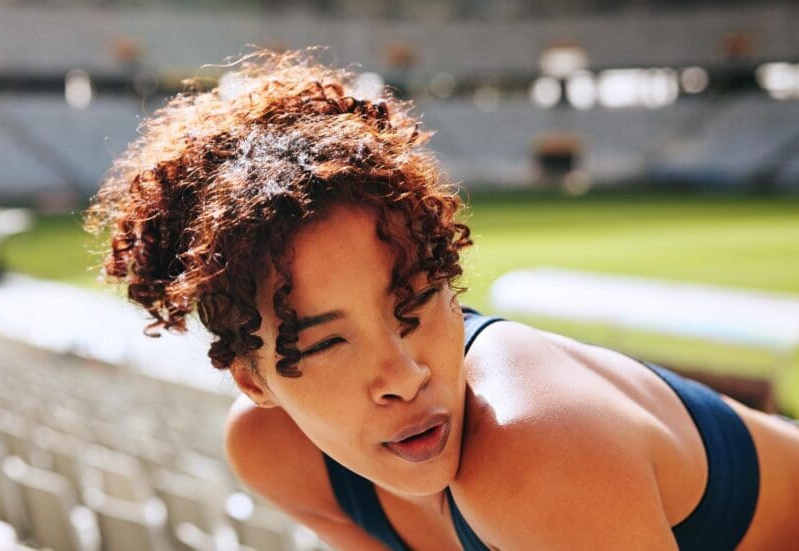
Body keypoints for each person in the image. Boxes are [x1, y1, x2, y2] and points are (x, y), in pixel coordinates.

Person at [86, 49, 799, 550]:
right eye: (329, 341)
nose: (405, 375)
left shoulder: (534, 451)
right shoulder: (274, 455)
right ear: (253, 378)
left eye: (416, 304)